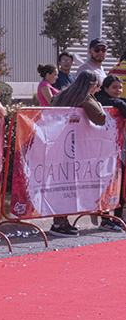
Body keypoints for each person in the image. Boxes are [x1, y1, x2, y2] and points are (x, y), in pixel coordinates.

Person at [49, 71, 105, 237]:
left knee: (59, 185)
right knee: (69, 186)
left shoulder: (61, 95)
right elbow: (100, 118)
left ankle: (61, 220)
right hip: (73, 148)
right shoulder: (84, 97)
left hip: (55, 143)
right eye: (97, 86)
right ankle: (59, 223)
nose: (97, 89)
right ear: (92, 85)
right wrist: (97, 102)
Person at [94, 74, 126, 233]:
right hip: (103, 152)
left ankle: (118, 218)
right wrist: (120, 103)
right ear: (105, 88)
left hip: (119, 150)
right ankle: (105, 219)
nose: (118, 90)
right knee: (106, 186)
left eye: (120, 87)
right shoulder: (100, 101)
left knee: (120, 185)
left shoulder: (120, 101)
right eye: (114, 87)